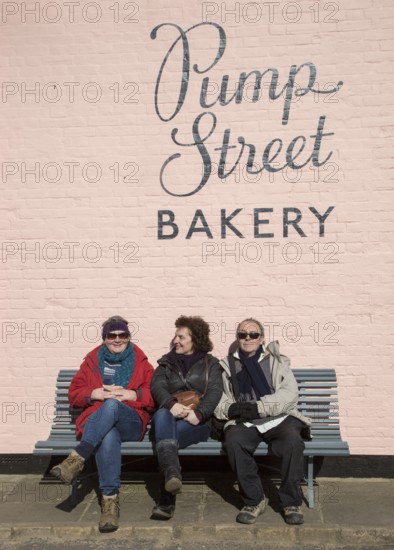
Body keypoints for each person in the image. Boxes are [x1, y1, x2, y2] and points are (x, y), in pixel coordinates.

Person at [50, 315, 154, 532]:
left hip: (131, 421)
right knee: (108, 435)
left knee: (113, 405)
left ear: (128, 336)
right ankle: (109, 504)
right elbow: (74, 394)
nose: (117, 339)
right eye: (112, 335)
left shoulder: (141, 361)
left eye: (122, 335)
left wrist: (133, 394)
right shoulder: (92, 361)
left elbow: (155, 394)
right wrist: (94, 393)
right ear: (104, 338)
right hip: (101, 424)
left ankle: (77, 457)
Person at [214, 318, 311, 526]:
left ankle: (291, 502)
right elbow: (219, 398)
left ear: (261, 339)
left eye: (253, 334)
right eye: (242, 334)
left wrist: (260, 407)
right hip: (245, 420)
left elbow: (289, 393)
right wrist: (232, 409)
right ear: (237, 338)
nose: (247, 338)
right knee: (233, 441)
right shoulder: (227, 365)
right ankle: (254, 500)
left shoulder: (277, 361)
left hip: (278, 418)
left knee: (293, 442)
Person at [150, 315, 223, 520]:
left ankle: (166, 501)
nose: (176, 341)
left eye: (181, 337)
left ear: (195, 340)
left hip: (196, 423)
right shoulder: (165, 363)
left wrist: (199, 414)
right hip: (169, 417)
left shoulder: (211, 364)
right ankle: (172, 475)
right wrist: (171, 405)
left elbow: (215, 391)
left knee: (164, 442)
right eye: (175, 336)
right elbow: (157, 386)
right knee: (163, 417)